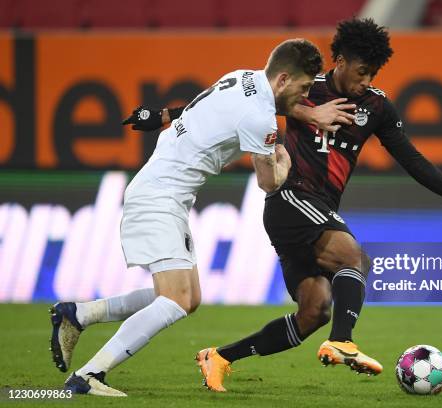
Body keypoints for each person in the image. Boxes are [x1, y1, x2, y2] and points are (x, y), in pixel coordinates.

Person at [121, 18, 442, 393]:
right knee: (355, 258)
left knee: (315, 310)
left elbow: (413, 160)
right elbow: (234, 104)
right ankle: (343, 342)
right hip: (291, 195)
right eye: (361, 72)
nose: (366, 82)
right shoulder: (306, 87)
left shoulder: (376, 108)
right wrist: (163, 115)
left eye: (373, 75)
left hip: (317, 208)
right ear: (340, 61)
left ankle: (220, 357)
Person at [49, 38, 341, 397]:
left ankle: (79, 314)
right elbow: (269, 183)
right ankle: (89, 374)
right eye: (305, 88)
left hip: (162, 193)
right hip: (159, 198)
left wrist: (163, 115)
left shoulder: (241, 77)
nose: (307, 96)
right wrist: (285, 164)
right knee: (175, 300)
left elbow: (197, 107)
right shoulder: (260, 117)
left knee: (189, 297)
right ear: (282, 79)